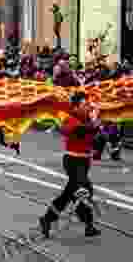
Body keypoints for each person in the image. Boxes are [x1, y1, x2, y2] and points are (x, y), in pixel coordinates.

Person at [39, 92, 101, 238]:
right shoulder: (69, 118)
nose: (88, 107)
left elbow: (95, 136)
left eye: (88, 105)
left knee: (68, 194)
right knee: (84, 190)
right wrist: (95, 122)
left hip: (84, 162)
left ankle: (47, 219)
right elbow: (82, 131)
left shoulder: (87, 118)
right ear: (76, 106)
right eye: (85, 105)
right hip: (73, 162)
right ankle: (88, 224)